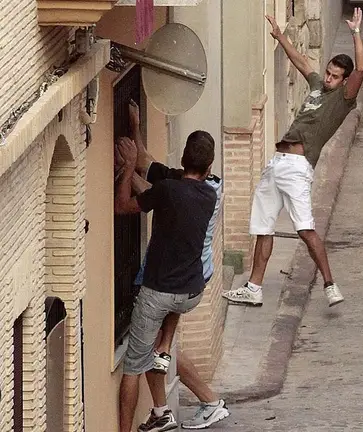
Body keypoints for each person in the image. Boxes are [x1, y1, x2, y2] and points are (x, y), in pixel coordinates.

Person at [221, 8, 363, 308]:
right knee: (263, 227)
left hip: (297, 168)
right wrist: (280, 35)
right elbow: (301, 62)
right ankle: (253, 288)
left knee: (305, 229)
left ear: (345, 81)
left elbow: (362, 70)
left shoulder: (343, 100)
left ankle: (330, 284)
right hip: (276, 165)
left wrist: (355, 32)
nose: (328, 78)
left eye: (335, 76)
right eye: (327, 72)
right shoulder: (317, 86)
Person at [116, 100, 230, 430]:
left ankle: (165, 381)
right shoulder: (210, 192)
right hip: (191, 291)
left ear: (181, 160)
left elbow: (123, 205)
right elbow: (150, 166)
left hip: (160, 292)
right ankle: (162, 407)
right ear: (208, 168)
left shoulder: (167, 190)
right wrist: (137, 131)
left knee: (133, 366)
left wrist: (126, 170)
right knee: (156, 347)